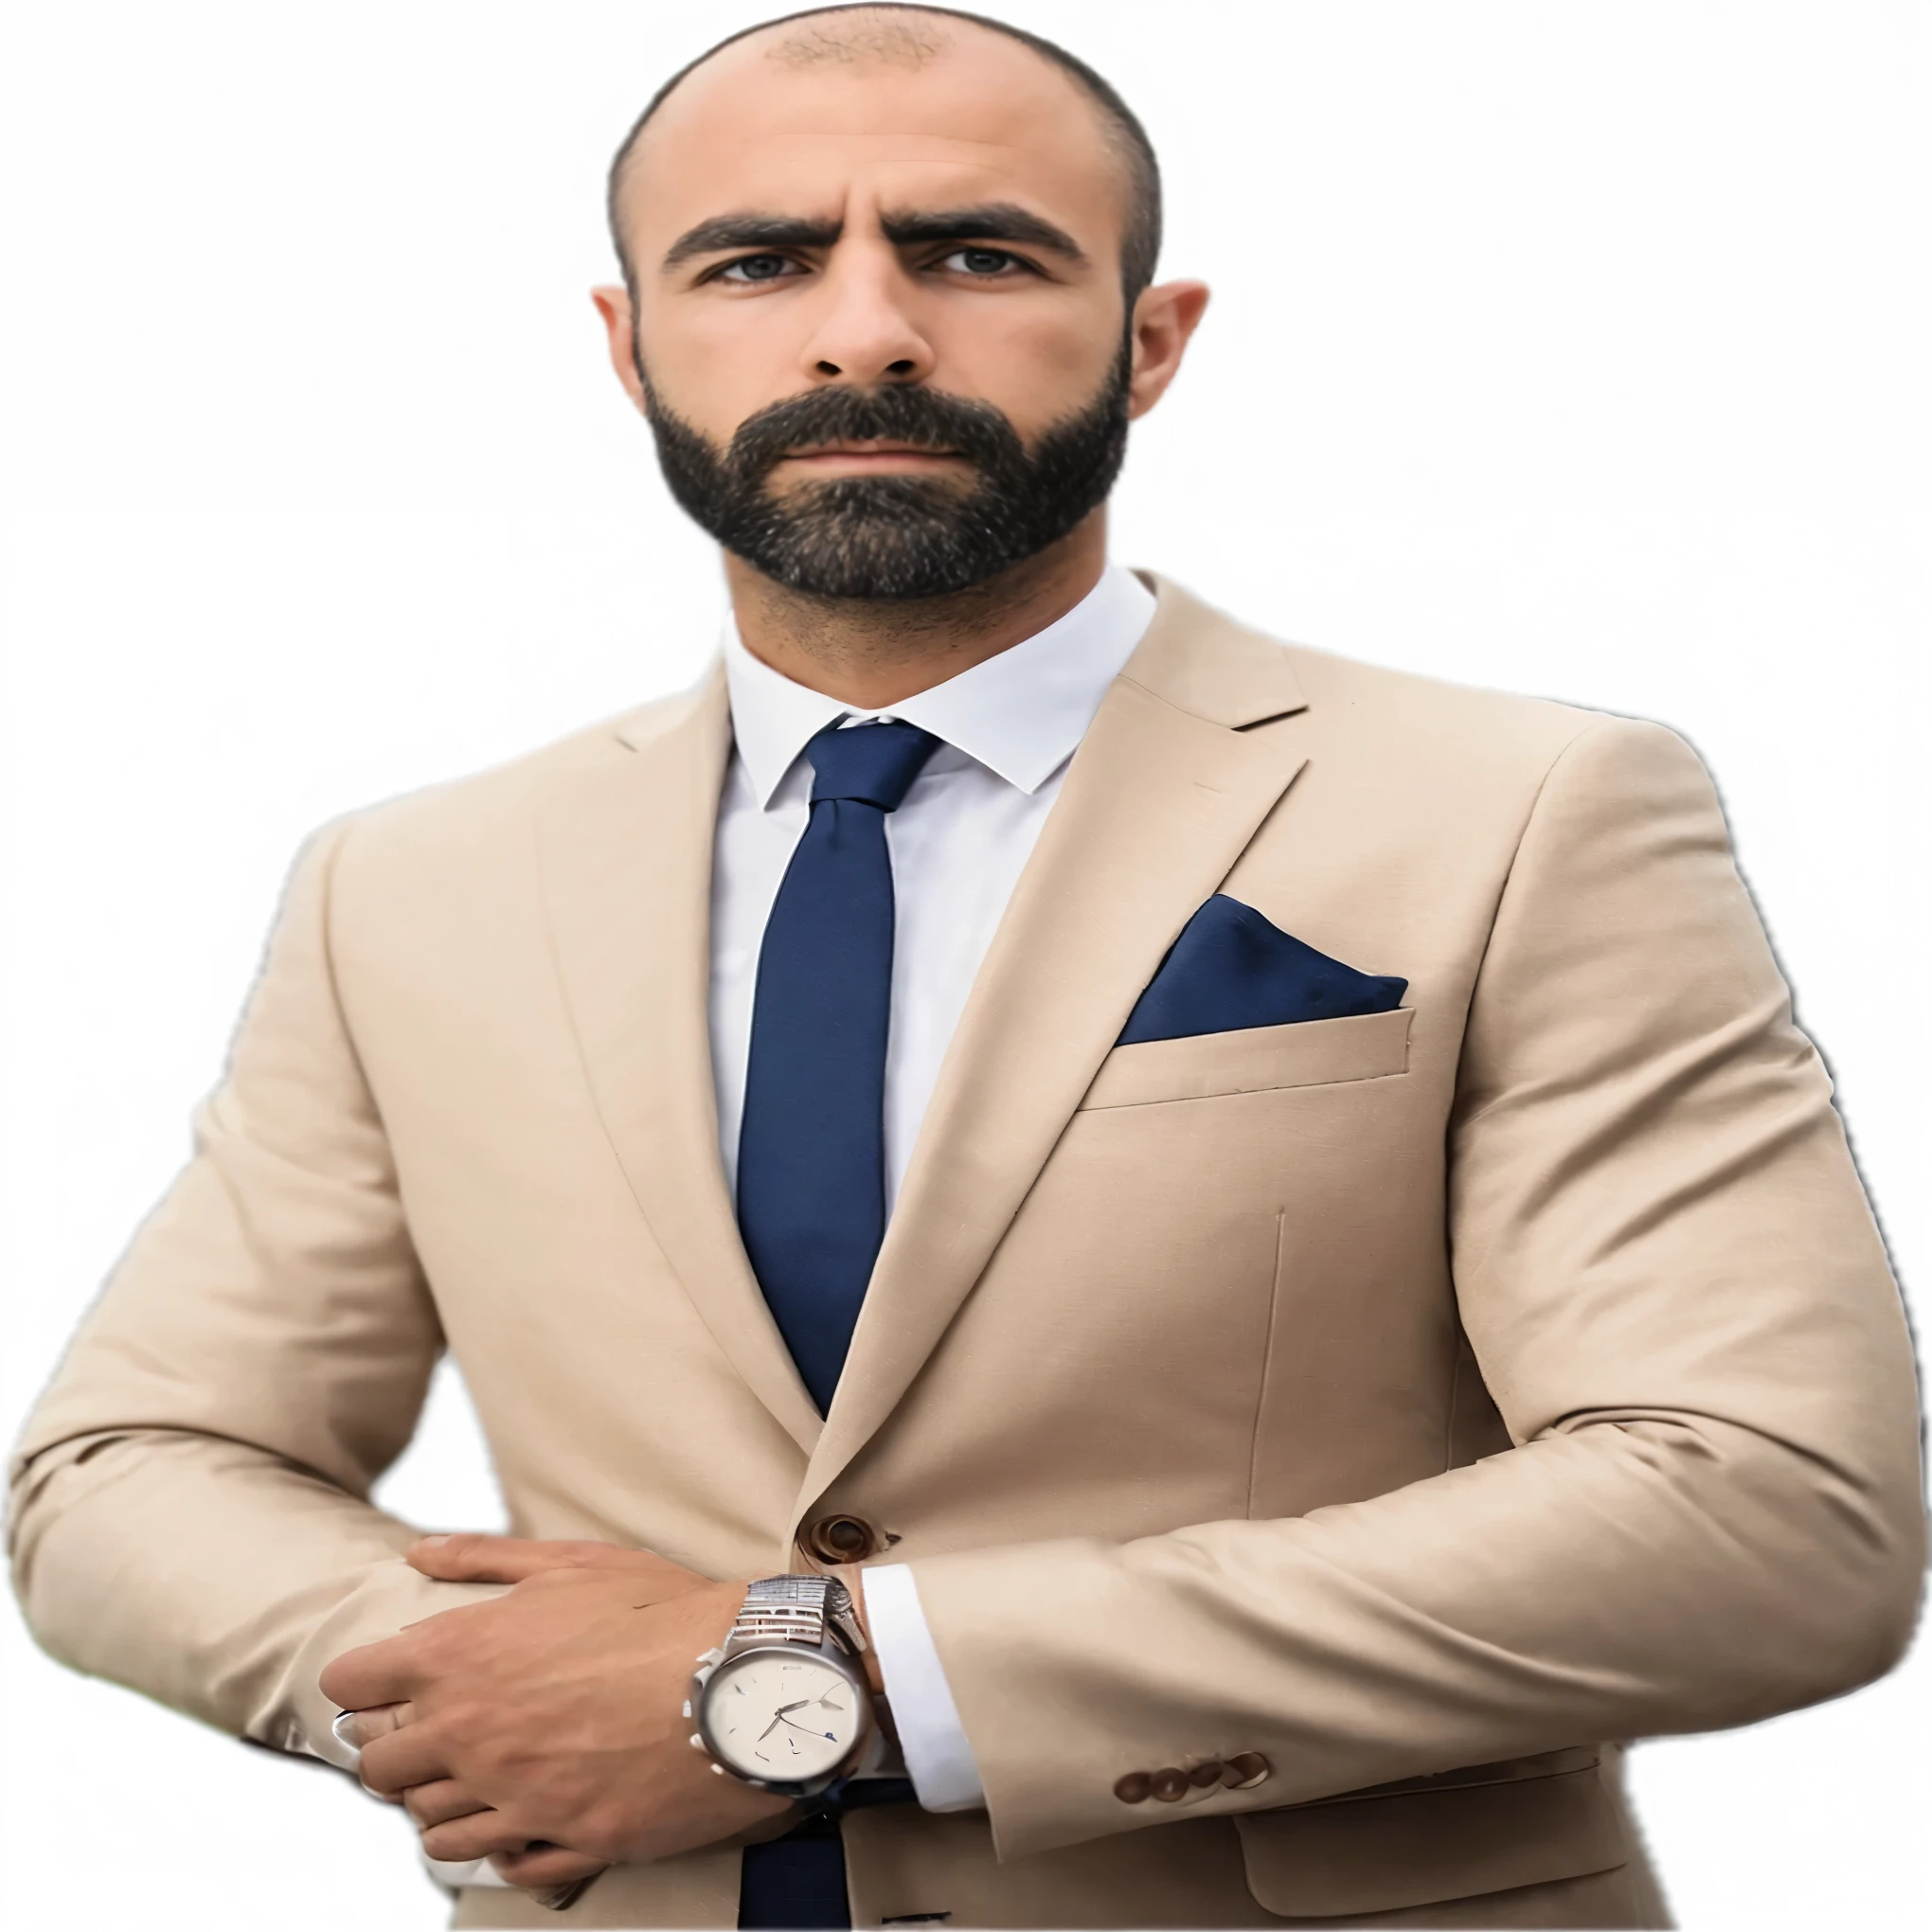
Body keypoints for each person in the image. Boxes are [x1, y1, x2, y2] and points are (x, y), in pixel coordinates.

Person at [9, 6, 1923, 1928]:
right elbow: (125, 1473)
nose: (865, 332)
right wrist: (472, 1697)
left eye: (975, 252)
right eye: (756, 261)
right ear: (628, 343)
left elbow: (1770, 1514)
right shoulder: (405, 886)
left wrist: (817, 1684)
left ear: (1151, 338)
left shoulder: (1529, 814)